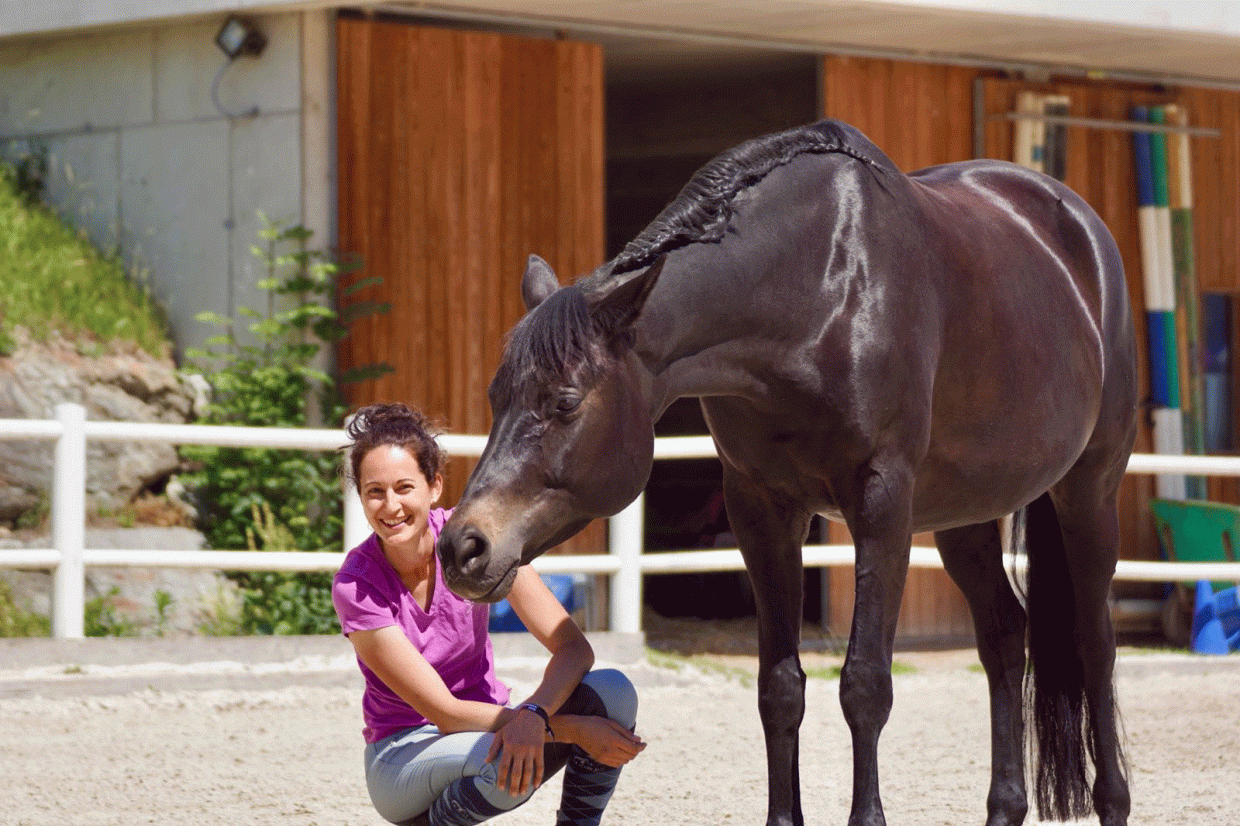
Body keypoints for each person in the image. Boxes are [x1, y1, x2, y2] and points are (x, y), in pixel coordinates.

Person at [332, 403, 646, 826]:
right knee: (503, 764)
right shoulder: (355, 585)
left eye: (404, 487)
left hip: (488, 730)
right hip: (403, 754)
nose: (390, 506)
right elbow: (443, 712)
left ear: (434, 486)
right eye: (375, 491)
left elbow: (572, 647)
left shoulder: (475, 544)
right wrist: (569, 730)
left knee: (614, 691)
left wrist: (535, 715)